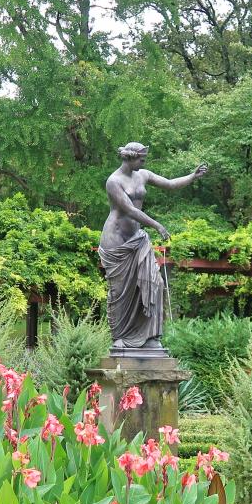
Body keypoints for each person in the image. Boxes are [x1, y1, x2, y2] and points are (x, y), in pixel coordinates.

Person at [98, 142, 207, 350]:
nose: (144, 162)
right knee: (120, 292)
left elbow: (170, 184)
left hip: (137, 239)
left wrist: (192, 176)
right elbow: (130, 210)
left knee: (154, 282)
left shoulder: (143, 175)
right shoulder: (113, 181)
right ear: (131, 158)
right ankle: (120, 337)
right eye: (142, 159)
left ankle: (148, 337)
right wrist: (157, 225)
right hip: (116, 241)